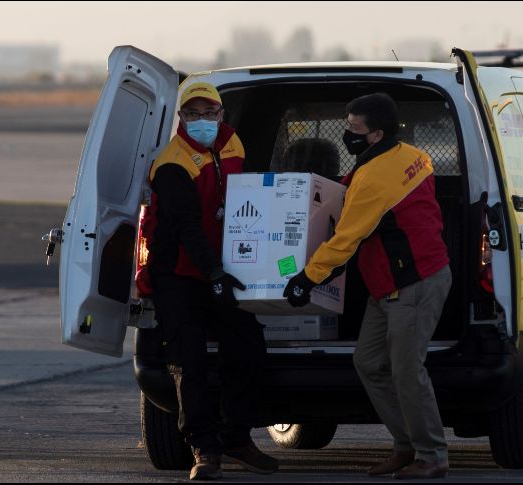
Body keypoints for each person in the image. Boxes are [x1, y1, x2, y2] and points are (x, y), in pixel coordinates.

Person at [283, 93, 451, 479]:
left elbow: (345, 240)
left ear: (376, 134)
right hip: (390, 283)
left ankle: (432, 454)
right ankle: (407, 445)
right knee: (369, 362)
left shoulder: (375, 181)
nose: (347, 134)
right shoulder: (412, 155)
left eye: (353, 129)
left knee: (408, 370)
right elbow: (366, 191)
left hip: (413, 283)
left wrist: (305, 279)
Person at [140, 82, 277, 480]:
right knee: (189, 361)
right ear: (181, 118)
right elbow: (185, 226)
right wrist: (213, 272)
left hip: (222, 267)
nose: (202, 121)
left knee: (248, 347)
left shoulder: (234, 146)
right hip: (179, 273)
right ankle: (204, 448)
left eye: (209, 113)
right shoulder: (172, 162)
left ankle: (237, 438)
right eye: (193, 114)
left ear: (222, 115)